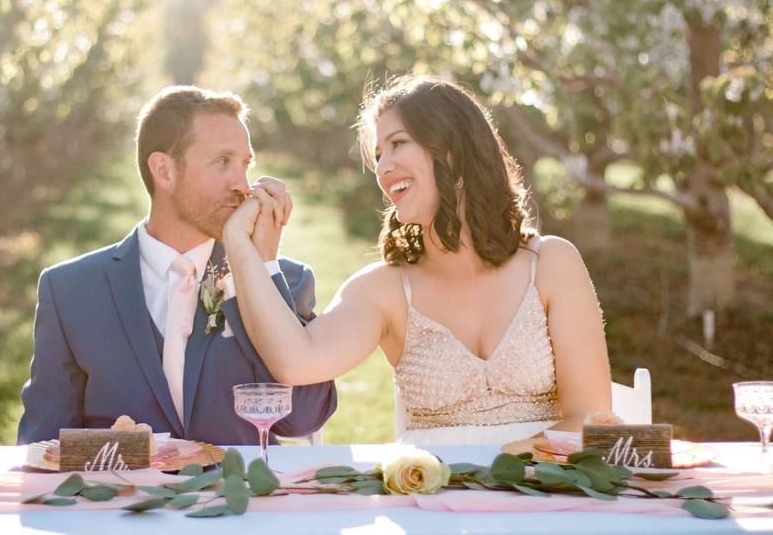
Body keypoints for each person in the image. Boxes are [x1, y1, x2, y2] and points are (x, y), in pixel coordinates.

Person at [222, 75, 611, 445]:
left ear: (453, 150)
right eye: (378, 155)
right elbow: (296, 362)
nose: (383, 167)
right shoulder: (383, 290)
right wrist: (244, 249)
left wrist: (504, 469)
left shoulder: (551, 263)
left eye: (398, 143)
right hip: (432, 501)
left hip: (547, 498)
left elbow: (590, 418)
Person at [17, 86, 336, 445]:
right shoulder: (70, 291)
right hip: (124, 499)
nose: (242, 185)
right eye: (222, 162)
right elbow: (42, 445)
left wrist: (259, 269)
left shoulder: (284, 279)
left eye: (246, 165)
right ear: (164, 171)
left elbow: (303, 419)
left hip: (241, 499)